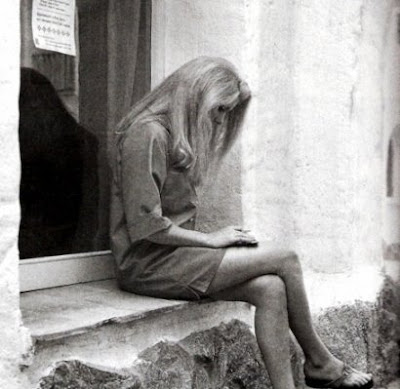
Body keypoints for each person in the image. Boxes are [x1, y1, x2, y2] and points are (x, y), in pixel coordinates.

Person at [110, 57, 373, 389]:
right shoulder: (146, 133)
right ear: (196, 95)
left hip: (173, 259)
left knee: (271, 288)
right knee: (285, 258)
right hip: (144, 265)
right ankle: (321, 361)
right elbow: (145, 226)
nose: (222, 120)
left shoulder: (173, 135)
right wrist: (211, 240)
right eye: (220, 109)